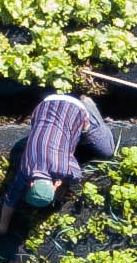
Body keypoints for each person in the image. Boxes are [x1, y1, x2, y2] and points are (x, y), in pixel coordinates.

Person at [7, 85, 116, 220]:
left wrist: (63, 182)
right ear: (31, 184)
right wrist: (2, 229)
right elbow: (9, 199)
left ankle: (86, 103)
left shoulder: (64, 171)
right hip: (44, 106)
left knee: (107, 151)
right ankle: (53, 95)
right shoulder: (25, 171)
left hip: (75, 108)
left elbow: (77, 175)